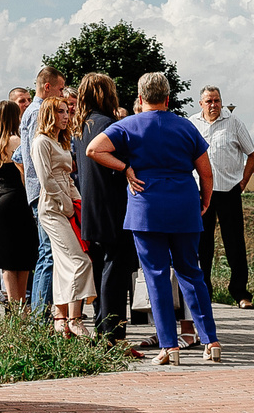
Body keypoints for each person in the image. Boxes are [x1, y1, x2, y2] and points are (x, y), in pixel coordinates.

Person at [85, 71, 220, 365]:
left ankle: (169, 346)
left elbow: (93, 149)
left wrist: (125, 168)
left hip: (146, 205)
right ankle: (211, 340)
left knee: (156, 275)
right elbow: (206, 170)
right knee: (191, 272)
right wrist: (205, 198)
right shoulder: (186, 126)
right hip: (184, 202)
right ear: (168, 98)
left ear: (141, 97)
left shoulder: (127, 126)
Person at [73, 72, 135, 347]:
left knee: (100, 265)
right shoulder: (110, 125)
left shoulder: (80, 127)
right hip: (112, 202)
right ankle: (113, 332)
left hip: (90, 203)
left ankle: (101, 324)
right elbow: (121, 159)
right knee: (116, 266)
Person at [31, 94, 92, 335]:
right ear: (48, 114)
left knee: (62, 263)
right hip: (52, 205)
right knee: (79, 260)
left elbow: (66, 176)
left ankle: (61, 318)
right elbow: (45, 179)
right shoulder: (41, 142)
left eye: (67, 111)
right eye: (60, 111)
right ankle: (74, 318)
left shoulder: (60, 142)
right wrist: (67, 203)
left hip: (67, 199)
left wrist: (78, 202)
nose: (66, 116)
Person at [196, 86, 254, 309]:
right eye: (209, 101)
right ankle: (205, 291)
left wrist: (243, 181)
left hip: (229, 190)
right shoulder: (192, 123)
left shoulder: (233, 123)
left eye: (217, 100)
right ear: (201, 104)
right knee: (202, 245)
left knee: (234, 243)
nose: (213, 105)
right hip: (202, 192)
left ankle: (240, 292)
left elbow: (252, 153)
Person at [21, 67, 65, 313]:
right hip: (45, 190)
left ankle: (40, 312)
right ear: (47, 87)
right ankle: (41, 316)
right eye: (59, 88)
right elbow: (40, 156)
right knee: (49, 253)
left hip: (35, 189)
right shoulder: (40, 112)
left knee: (45, 253)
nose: (61, 94)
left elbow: (20, 154)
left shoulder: (29, 112)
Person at [0, 99, 37, 305]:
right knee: (23, 253)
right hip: (18, 196)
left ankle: (13, 304)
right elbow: (24, 174)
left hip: (1, 198)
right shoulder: (16, 141)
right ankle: (22, 302)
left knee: (6, 255)